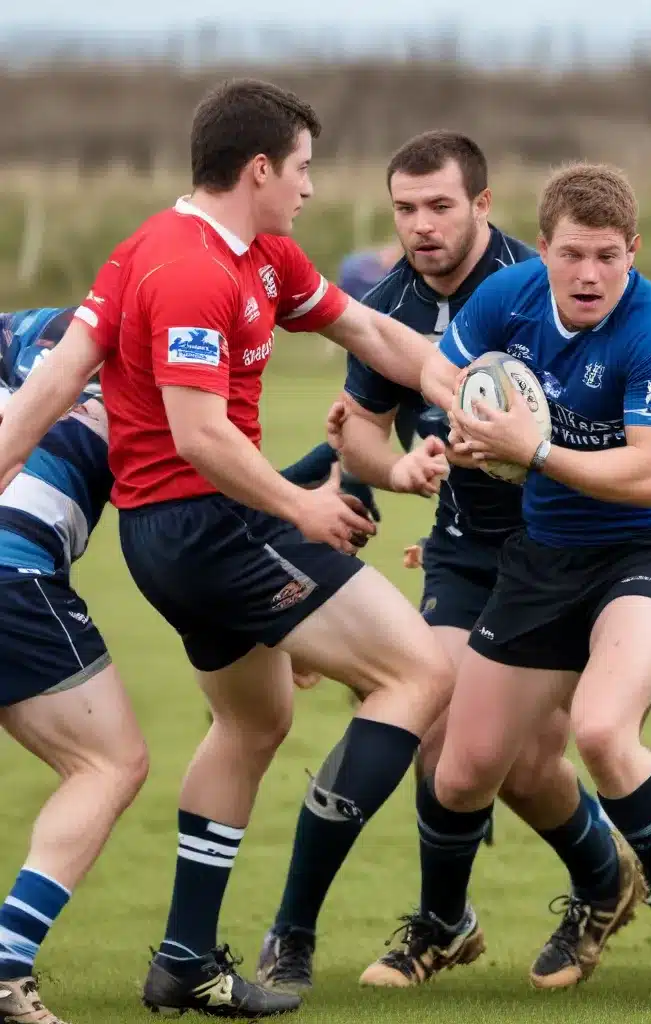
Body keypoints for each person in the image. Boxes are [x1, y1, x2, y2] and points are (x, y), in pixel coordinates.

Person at [0, 79, 457, 1019]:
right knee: (417, 671)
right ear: (259, 169)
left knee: (254, 723)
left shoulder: (244, 255)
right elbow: (201, 436)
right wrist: (302, 507)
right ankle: (297, 916)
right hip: (215, 523)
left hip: (169, 537)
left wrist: (452, 382)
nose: (311, 189)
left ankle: (184, 960)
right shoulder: (184, 270)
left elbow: (367, 328)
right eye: (302, 170)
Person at [357, 162, 651, 1006]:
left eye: (610, 257)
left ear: (634, 253)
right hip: (545, 554)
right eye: (574, 255)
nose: (590, 275)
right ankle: (443, 923)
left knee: (604, 729)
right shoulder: (505, 299)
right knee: (463, 765)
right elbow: (448, 375)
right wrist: (460, 433)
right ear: (541, 248)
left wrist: (530, 451)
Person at [258, 131, 644, 996]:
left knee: (523, 757)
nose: (422, 226)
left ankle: (592, 883)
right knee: (440, 731)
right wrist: (400, 468)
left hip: (568, 549)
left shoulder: (543, 279)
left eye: (440, 206)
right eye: (405, 209)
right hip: (466, 555)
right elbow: (357, 427)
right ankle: (433, 921)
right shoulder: (386, 303)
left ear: (483, 205)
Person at [0, 307, 148, 1024]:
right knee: (108, 762)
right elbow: (213, 500)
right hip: (12, 573)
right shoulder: (157, 392)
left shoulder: (35, 330)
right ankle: (6, 965)